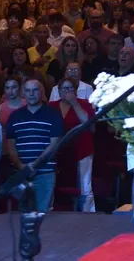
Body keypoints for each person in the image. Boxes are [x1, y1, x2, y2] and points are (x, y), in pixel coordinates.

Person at [5, 77, 64, 213]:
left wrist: (35, 165)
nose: (31, 94)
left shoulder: (53, 114)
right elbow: (10, 146)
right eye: (28, 90)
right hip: (22, 173)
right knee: (23, 216)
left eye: (35, 90)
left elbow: (54, 144)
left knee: (43, 215)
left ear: (42, 92)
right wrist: (21, 166)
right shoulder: (15, 116)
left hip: (45, 173)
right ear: (23, 93)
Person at [48, 78, 95, 212]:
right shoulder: (52, 106)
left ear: (76, 91)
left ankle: (89, 215)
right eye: (65, 88)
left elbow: (88, 124)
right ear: (59, 91)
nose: (68, 91)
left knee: (85, 187)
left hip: (82, 148)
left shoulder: (84, 103)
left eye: (71, 88)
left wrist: (74, 103)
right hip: (56, 150)